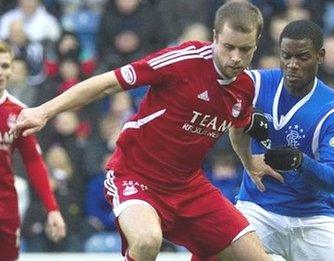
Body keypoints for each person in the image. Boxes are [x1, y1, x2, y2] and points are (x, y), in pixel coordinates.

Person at [11, 2, 280, 260]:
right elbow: (106, 84)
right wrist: (44, 110)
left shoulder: (246, 87)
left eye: (244, 49)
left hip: (189, 186)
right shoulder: (183, 61)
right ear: (214, 37)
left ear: (256, 44)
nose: (235, 57)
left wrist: (249, 162)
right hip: (135, 176)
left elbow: (239, 126)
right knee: (147, 241)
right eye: (228, 47)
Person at [235, 20, 334, 260]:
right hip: (258, 208)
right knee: (219, 252)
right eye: (286, 56)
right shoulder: (258, 84)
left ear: (320, 56)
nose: (292, 65)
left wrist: (300, 161)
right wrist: (247, 159)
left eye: (302, 57)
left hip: (314, 215)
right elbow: (221, 92)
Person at [0, 41, 66, 260]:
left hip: (5, 207)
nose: (1, 72)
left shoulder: (19, 113)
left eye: (5, 66)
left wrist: (53, 208)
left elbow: (33, 162)